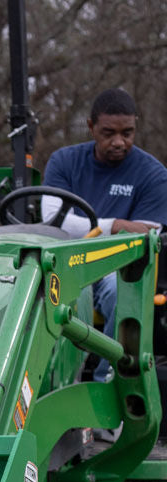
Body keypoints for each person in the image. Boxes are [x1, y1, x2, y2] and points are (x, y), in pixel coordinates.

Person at [42, 88, 167, 377]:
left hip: (118, 267)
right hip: (69, 262)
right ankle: (56, 381)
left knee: (118, 291)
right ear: (91, 127)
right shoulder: (64, 162)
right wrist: (115, 225)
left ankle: (105, 380)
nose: (119, 141)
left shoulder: (153, 175)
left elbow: (142, 239)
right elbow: (53, 220)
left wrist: (83, 227)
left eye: (128, 132)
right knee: (55, 292)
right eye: (109, 133)